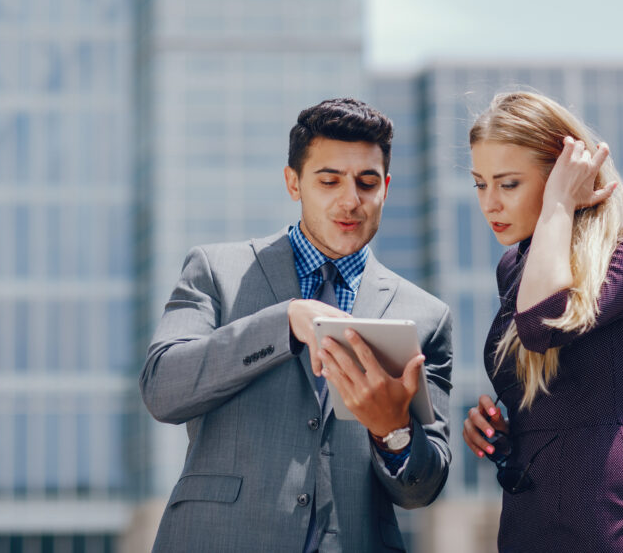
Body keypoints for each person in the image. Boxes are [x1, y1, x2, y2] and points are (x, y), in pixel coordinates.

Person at [140, 98, 453, 552]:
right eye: (329, 181)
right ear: (294, 182)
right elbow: (162, 389)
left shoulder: (425, 315)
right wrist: (283, 322)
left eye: (367, 183)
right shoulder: (216, 269)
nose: (351, 200)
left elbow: (422, 488)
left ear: (385, 187)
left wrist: (393, 430)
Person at [461, 91, 623, 552]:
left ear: (563, 171)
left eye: (508, 184)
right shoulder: (513, 269)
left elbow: (542, 326)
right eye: (480, 184)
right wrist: (499, 426)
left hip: (609, 527)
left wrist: (559, 201)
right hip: (526, 527)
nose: (490, 203)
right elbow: (547, 394)